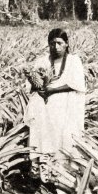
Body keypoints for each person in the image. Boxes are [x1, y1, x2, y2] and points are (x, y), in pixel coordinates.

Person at [23, 28, 86, 179]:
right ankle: (44, 172)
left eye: (59, 43)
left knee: (63, 137)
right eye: (52, 44)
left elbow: (77, 84)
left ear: (66, 44)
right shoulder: (42, 61)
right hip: (44, 107)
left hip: (64, 105)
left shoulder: (73, 61)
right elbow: (30, 85)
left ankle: (63, 172)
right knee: (44, 137)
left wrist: (53, 90)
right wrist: (37, 86)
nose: (55, 47)